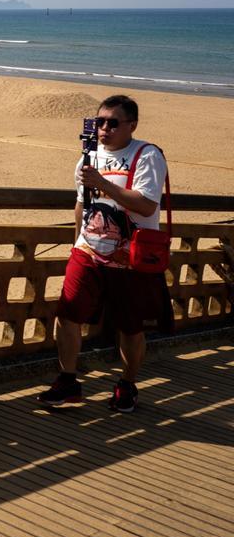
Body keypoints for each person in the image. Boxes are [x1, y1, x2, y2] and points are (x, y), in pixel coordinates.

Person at [37, 95, 169, 413]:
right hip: (88, 251)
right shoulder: (88, 157)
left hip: (130, 258)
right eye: (100, 122)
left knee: (130, 327)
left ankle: (127, 384)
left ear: (131, 125)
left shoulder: (146, 155)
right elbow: (81, 204)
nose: (104, 129)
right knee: (67, 315)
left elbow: (147, 204)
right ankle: (68, 381)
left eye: (113, 122)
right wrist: (75, 244)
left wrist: (101, 183)